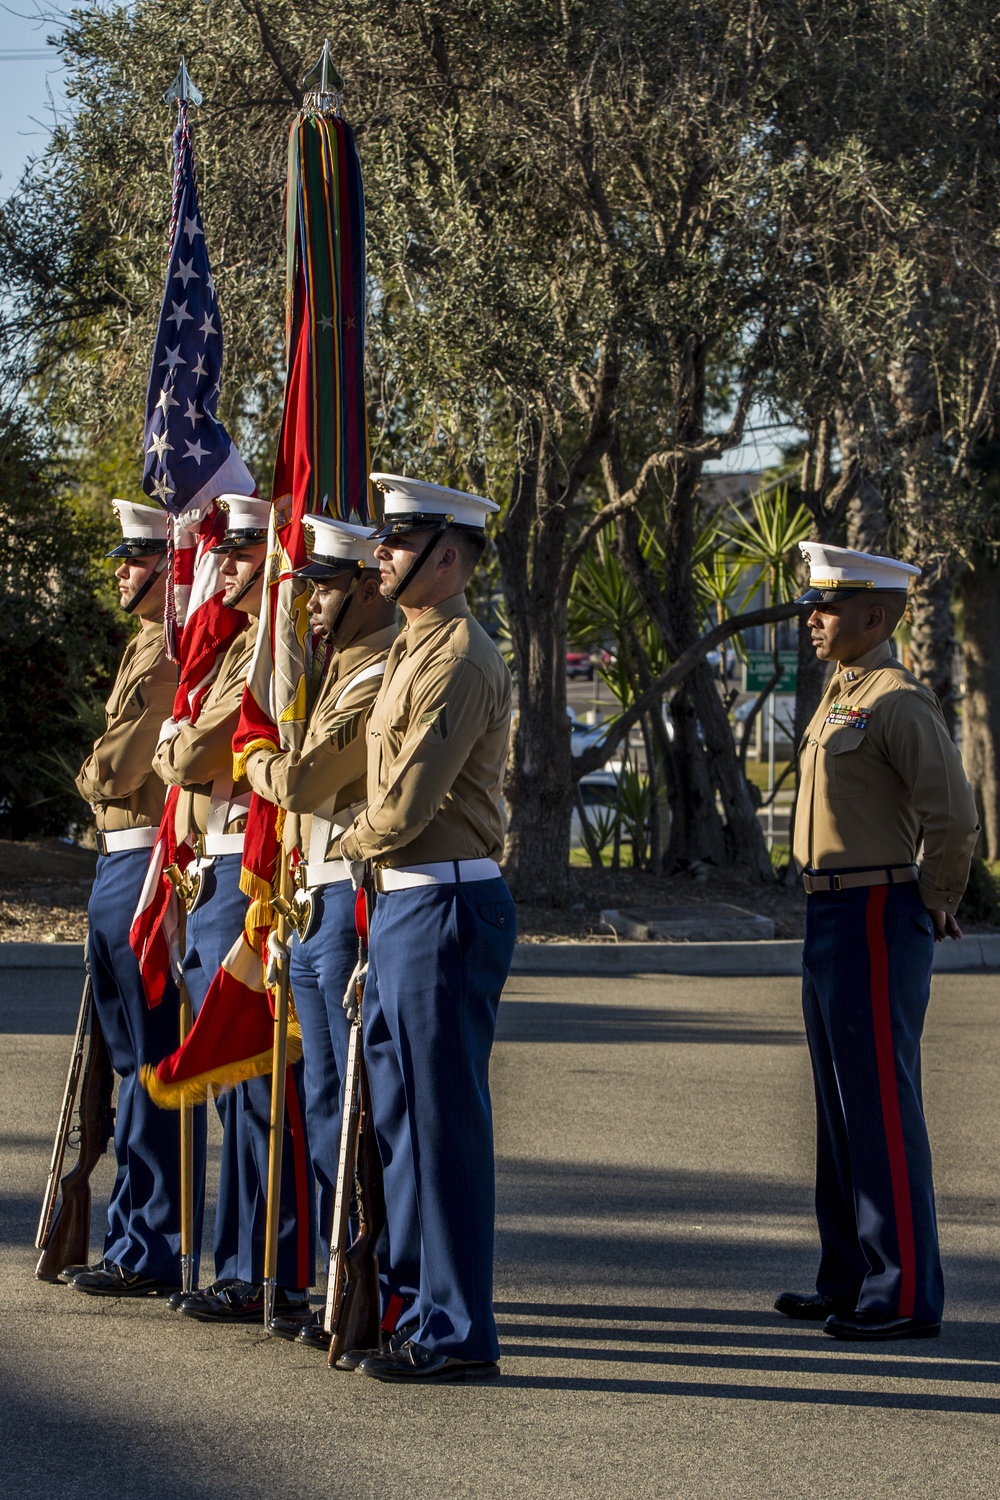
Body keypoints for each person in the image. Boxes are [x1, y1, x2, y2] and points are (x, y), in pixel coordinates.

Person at [775, 542, 980, 1342]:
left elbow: (954, 818)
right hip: (829, 912)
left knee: (881, 1108)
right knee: (838, 1106)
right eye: (812, 606)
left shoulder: (897, 700)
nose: (813, 619)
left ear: (876, 615)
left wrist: (933, 902)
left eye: (827, 607)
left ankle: (901, 1295)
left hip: (874, 910)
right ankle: (851, 1277)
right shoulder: (841, 694)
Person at [338, 473, 517, 1384]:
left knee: (442, 1123)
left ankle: (457, 1329)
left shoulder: (459, 656)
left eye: (398, 542)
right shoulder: (414, 646)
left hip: (444, 896)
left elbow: (406, 802)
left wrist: (346, 841)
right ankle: (412, 1308)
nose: (381, 554)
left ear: (446, 558)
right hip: (406, 897)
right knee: (401, 1121)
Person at [152, 494, 315, 1324]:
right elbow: (182, 750)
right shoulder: (222, 651)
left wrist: (179, 748)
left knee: (262, 1087)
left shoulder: (265, 653)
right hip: (210, 873)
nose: (223, 567)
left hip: (247, 875)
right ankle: (238, 1261)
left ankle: (274, 1267)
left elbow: (191, 751)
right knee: (232, 1091)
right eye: (222, 552)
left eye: (241, 554)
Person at [242, 515, 398, 1350]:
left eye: (327, 586)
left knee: (351, 1105)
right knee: (318, 1101)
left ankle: (364, 1281)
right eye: (307, 586)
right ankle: (338, 1276)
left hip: (344, 899)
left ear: (370, 587)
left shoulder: (375, 675)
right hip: (309, 902)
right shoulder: (335, 673)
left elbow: (305, 782)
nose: (309, 603)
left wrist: (255, 757)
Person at [67, 500, 185, 1297]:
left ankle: (149, 1244)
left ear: (171, 569)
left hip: (144, 864)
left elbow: (114, 774)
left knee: (149, 1060)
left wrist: (101, 769)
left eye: (138, 559)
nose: (121, 569)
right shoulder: (141, 649)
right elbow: (101, 770)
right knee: (122, 1061)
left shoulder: (171, 655)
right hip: (112, 862)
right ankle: (127, 1234)